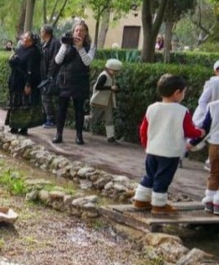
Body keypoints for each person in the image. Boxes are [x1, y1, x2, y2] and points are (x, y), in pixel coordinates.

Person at [132, 74, 204, 215]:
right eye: (183, 92)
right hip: (170, 153)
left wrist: (146, 144)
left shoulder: (152, 108)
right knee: (163, 178)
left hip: (152, 150)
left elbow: (143, 129)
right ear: (177, 93)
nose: (183, 95)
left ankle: (140, 200)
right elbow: (188, 130)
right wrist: (199, 132)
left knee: (149, 175)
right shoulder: (182, 111)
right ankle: (159, 205)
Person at [52, 20, 95, 145]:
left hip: (80, 81)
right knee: (61, 109)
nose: (78, 33)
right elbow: (57, 60)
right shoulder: (67, 43)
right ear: (73, 31)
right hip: (65, 80)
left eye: (81, 30)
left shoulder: (90, 46)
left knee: (79, 110)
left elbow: (87, 62)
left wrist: (80, 48)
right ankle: (58, 134)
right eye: (76, 30)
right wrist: (65, 45)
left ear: (86, 33)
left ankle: (79, 135)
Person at [5, 31, 42, 135]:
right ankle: (14, 126)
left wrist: (28, 84)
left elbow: (32, 70)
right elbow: (14, 61)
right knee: (14, 103)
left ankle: (23, 127)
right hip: (15, 80)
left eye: (25, 38)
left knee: (24, 104)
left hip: (24, 82)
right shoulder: (20, 48)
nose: (22, 39)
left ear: (31, 41)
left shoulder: (34, 52)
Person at [190, 97, 219, 214]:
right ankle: (218, 204)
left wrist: (192, 142)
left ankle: (209, 202)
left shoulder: (213, 106)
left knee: (214, 173)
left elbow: (205, 128)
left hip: (215, 145)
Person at [89, 59, 123, 143]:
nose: (116, 73)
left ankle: (110, 136)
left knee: (109, 118)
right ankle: (83, 120)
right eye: (115, 71)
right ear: (110, 69)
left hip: (107, 101)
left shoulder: (112, 76)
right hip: (99, 101)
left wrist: (115, 89)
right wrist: (110, 88)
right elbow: (98, 87)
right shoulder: (104, 76)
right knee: (94, 118)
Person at [38, 25, 61, 128]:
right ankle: (46, 117)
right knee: (44, 96)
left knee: (46, 95)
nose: (40, 33)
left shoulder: (55, 43)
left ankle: (50, 119)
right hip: (44, 76)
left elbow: (54, 61)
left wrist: (49, 76)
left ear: (46, 32)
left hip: (51, 76)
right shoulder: (44, 44)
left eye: (41, 31)